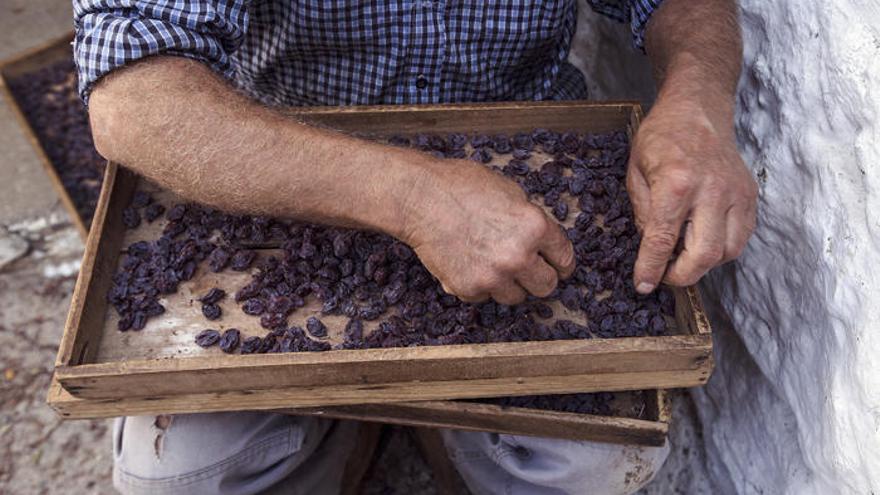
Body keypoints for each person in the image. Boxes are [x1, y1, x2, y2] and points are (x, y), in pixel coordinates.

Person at [74, 0, 757, 493]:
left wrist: (697, 98)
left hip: (521, 174)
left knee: (592, 467)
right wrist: (412, 197)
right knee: (181, 474)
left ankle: (449, 446)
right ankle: (342, 442)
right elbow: (133, 96)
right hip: (284, 175)